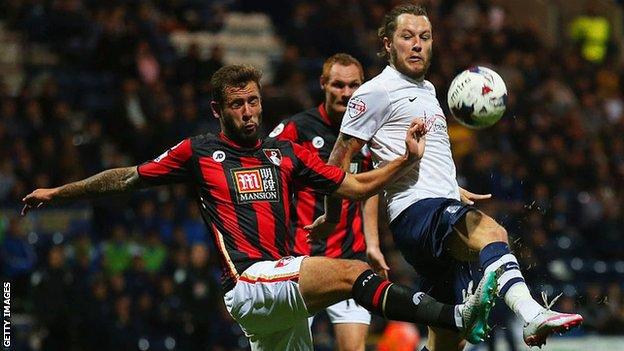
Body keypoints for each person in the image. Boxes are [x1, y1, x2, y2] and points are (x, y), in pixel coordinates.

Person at [22, 64, 499, 351]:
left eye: (253, 101)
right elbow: (124, 178)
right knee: (352, 274)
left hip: (281, 296)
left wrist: (405, 161)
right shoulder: (199, 153)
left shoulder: (285, 154)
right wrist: (59, 193)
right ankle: (456, 315)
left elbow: (354, 187)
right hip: (249, 283)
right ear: (218, 110)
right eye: (237, 105)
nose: (249, 111)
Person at [309, 4, 583, 350]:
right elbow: (338, 162)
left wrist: (451, 186)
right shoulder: (375, 92)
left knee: (450, 341)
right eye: (407, 37)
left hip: (438, 204)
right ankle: (531, 314)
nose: (417, 44)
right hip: (417, 212)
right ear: (387, 44)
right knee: (492, 232)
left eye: (424, 37)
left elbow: (425, 158)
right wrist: (332, 217)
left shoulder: (427, 91)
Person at [268, 53, 382, 351]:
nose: (346, 93)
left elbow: (369, 190)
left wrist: (373, 244)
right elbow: (265, 173)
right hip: (301, 261)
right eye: (338, 85)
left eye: (354, 85)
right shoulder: (296, 129)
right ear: (323, 84)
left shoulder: (369, 133)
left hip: (351, 257)